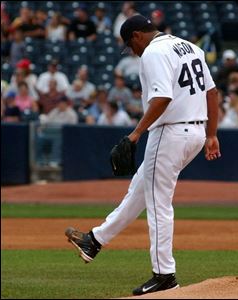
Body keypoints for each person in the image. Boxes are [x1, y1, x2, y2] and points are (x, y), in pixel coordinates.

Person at [65, 14, 220, 296]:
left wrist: (135, 133)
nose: (132, 52)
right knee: (140, 189)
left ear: (137, 35)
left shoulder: (153, 52)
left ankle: (164, 275)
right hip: (195, 132)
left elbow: (162, 98)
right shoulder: (190, 47)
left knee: (159, 203)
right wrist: (211, 134)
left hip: (169, 133)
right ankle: (95, 240)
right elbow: (212, 92)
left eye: (130, 45)